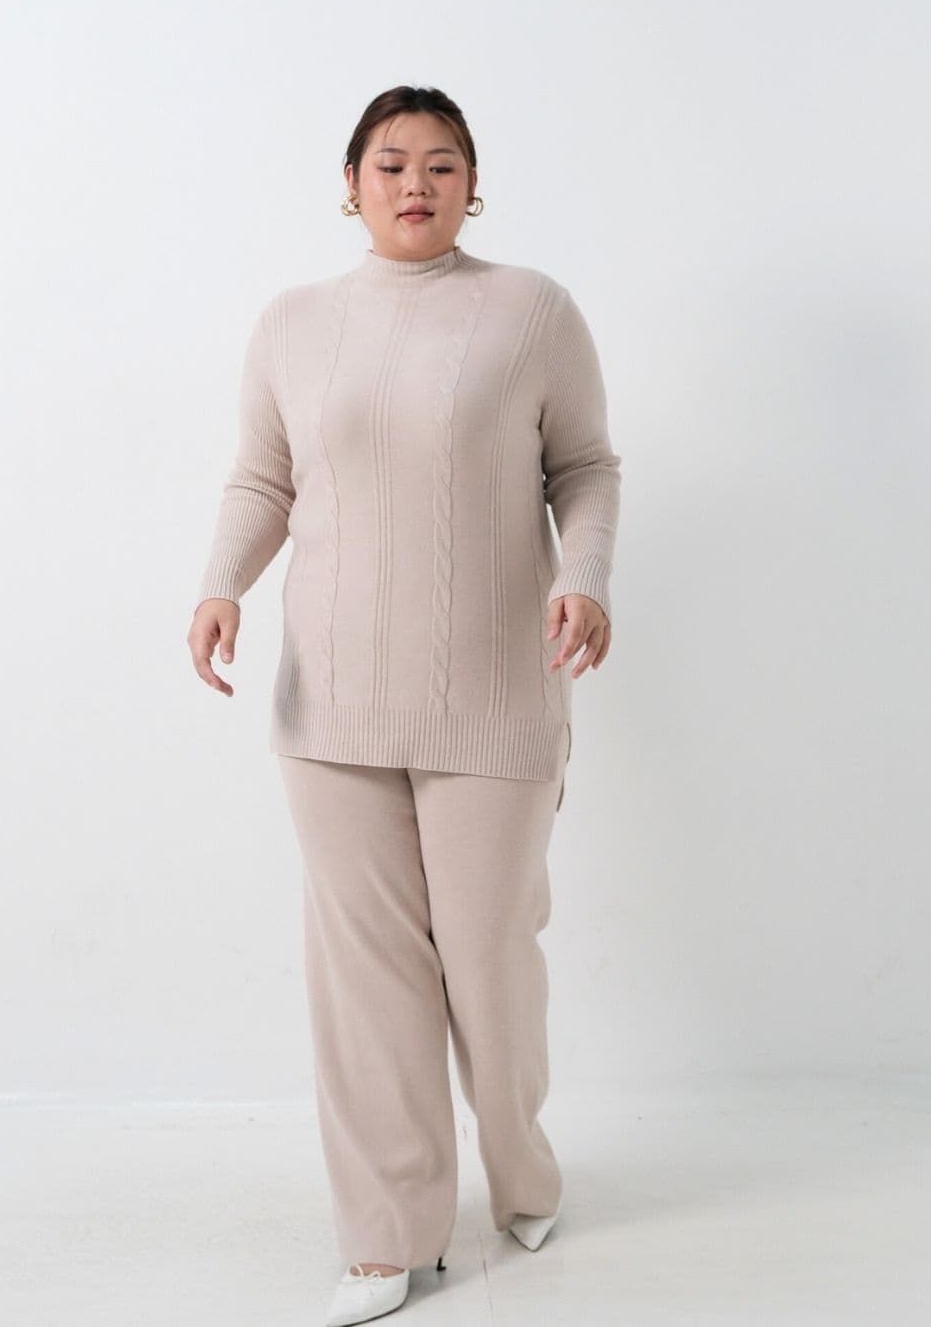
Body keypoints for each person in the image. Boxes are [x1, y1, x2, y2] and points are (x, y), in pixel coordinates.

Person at [187, 84, 622, 1327]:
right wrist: (219, 585)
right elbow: (263, 479)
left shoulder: (531, 310)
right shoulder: (294, 323)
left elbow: (585, 467)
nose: (415, 183)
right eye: (390, 163)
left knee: (488, 958)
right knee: (366, 975)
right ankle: (388, 1235)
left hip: (496, 689)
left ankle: (522, 1167)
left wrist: (584, 579)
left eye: (441, 163)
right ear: (352, 184)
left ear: (472, 185)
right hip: (332, 698)